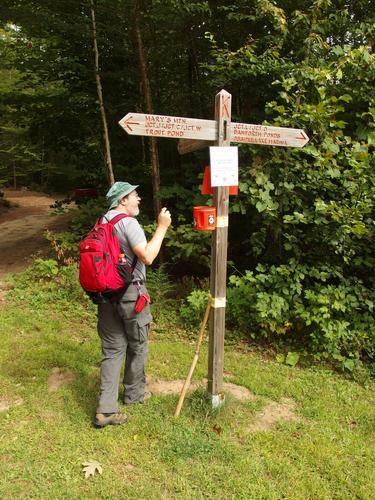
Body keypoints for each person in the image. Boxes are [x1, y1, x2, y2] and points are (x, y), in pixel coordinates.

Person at [94, 181, 171, 428]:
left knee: (113, 349)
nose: (138, 199)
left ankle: (105, 410)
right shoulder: (129, 223)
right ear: (122, 200)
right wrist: (162, 227)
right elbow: (147, 256)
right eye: (135, 196)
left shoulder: (101, 222)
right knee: (138, 344)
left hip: (105, 296)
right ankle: (134, 394)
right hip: (131, 295)